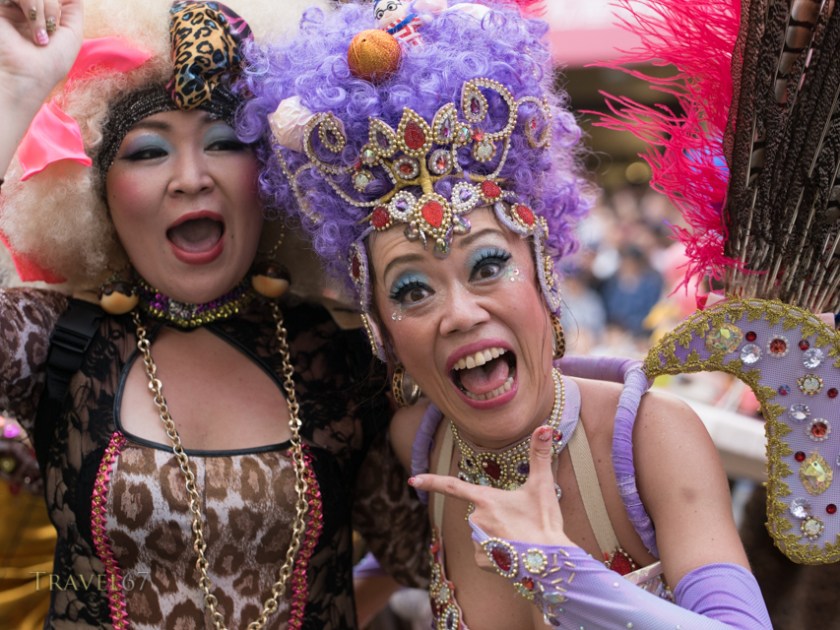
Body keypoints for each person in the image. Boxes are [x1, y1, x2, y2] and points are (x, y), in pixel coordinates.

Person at [239, 1, 773, 628]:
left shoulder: (649, 438)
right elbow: (391, 571)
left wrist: (563, 574)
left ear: (544, 269)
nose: (460, 313)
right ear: (382, 328)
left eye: (488, 266)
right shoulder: (421, 442)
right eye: (413, 290)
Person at [0, 0, 427, 627]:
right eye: (148, 152)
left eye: (225, 141)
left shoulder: (346, 357)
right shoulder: (55, 340)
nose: (190, 177)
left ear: (273, 173)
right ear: (97, 190)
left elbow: (426, 561)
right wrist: (15, 93)